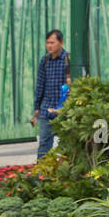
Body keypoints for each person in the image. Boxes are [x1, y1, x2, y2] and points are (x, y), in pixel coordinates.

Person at [32, 29, 70, 159]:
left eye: (52, 42)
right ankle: (41, 174)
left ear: (61, 42)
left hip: (63, 110)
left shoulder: (67, 59)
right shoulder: (45, 60)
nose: (49, 45)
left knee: (66, 145)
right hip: (46, 109)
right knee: (44, 144)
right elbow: (40, 84)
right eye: (47, 42)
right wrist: (36, 107)